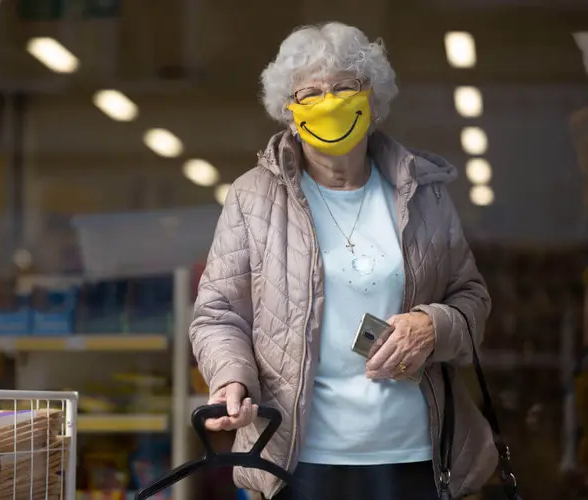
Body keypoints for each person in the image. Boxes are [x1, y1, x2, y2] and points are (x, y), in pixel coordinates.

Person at [189, 22, 499, 500]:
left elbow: (472, 299)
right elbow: (218, 313)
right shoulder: (254, 198)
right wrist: (232, 378)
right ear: (289, 113)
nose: (328, 102)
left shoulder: (424, 193)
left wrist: (433, 325)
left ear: (372, 99)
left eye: (344, 87)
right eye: (309, 93)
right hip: (297, 459)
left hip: (413, 455)